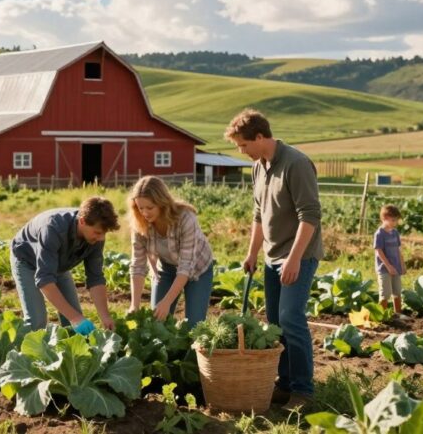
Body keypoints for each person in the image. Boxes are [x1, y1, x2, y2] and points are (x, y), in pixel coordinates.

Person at [225, 109, 323, 412]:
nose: (242, 152)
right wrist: (253, 252)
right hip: (271, 256)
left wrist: (294, 259)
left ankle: (304, 391)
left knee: (292, 318)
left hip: (298, 255)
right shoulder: (259, 166)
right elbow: (259, 215)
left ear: (259, 137)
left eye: (243, 145)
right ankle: (284, 383)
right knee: (276, 323)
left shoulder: (296, 163)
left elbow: (311, 216)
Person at [11, 196, 120, 334]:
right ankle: (28, 354)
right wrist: (75, 318)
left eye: (104, 233)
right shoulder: (53, 228)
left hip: (58, 264)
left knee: (73, 318)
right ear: (82, 221)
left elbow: (96, 278)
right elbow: (45, 280)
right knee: (37, 321)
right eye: (98, 232)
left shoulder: (96, 236)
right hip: (26, 261)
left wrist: (105, 316)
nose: (101, 238)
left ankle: (69, 354)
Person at [127, 176, 215, 327]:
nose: (145, 213)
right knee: (157, 321)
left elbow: (186, 267)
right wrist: (134, 305)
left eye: (150, 208)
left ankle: (193, 350)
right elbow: (138, 266)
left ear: (162, 203)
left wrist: (166, 302)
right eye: (140, 208)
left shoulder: (186, 219)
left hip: (198, 270)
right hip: (166, 268)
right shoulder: (139, 224)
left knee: (194, 325)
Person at [374, 205, 405, 314]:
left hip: (396, 267)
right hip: (384, 268)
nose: (395, 222)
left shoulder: (395, 233)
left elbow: (398, 249)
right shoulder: (379, 234)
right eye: (393, 220)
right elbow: (379, 251)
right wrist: (389, 266)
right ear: (384, 218)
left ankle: (398, 314)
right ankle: (380, 316)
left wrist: (402, 264)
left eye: (396, 220)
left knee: (397, 292)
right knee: (385, 294)